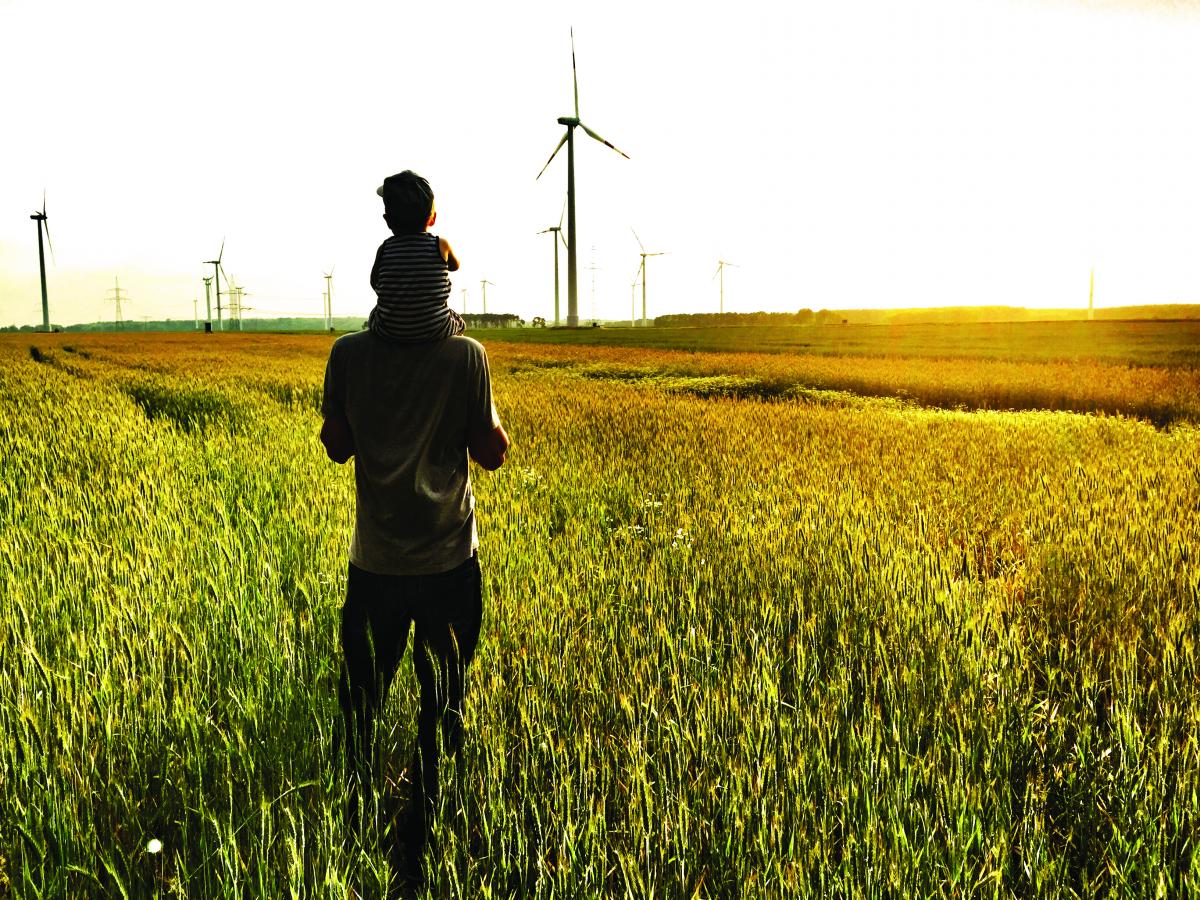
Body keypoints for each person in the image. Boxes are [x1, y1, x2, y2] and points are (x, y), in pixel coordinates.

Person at [320, 180, 509, 875]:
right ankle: (420, 844)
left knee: (360, 709)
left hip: (374, 570)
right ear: (433, 222)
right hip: (448, 569)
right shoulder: (467, 357)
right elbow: (489, 453)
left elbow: (337, 444)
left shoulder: (348, 354)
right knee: (442, 709)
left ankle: (352, 840)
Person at [369, 170, 466, 343]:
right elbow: (455, 266)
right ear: (432, 218)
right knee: (459, 322)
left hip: (388, 329)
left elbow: (374, 282)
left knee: (374, 315)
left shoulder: (384, 248)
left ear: (387, 220)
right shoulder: (441, 245)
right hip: (437, 327)